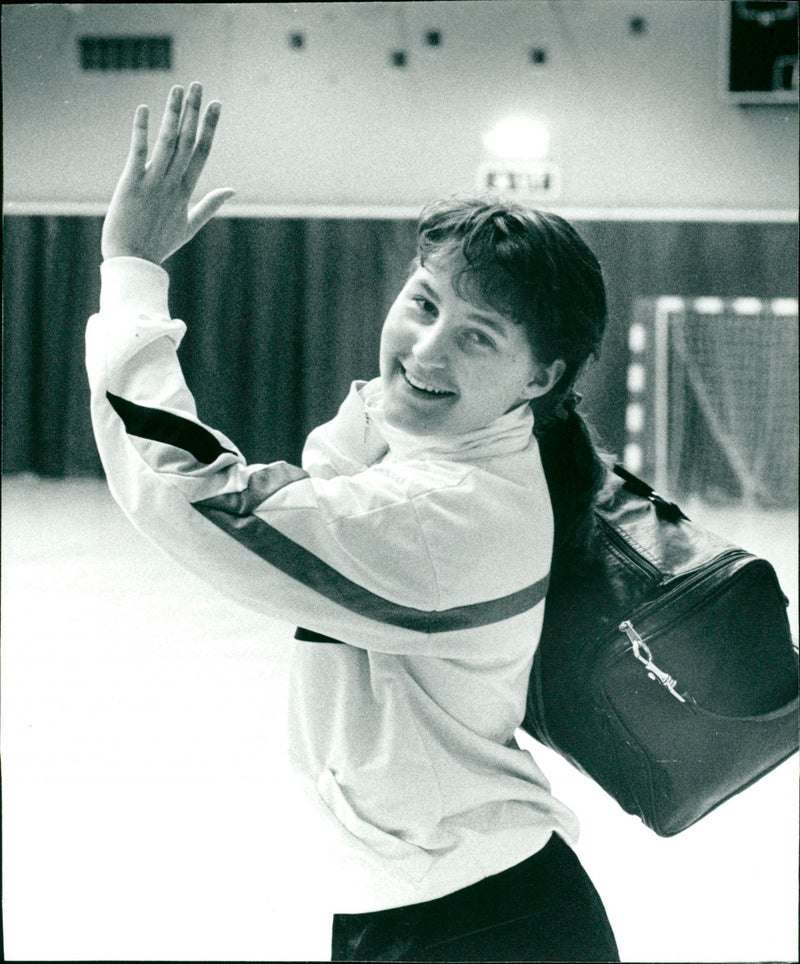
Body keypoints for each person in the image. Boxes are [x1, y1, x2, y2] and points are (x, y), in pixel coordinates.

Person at [87, 82, 619, 963]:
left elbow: (196, 496)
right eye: (422, 302)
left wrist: (130, 269)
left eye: (478, 337)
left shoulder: (450, 513)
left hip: (480, 925)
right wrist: (402, 396)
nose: (425, 348)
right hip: (436, 897)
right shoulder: (459, 452)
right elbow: (333, 457)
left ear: (539, 379)